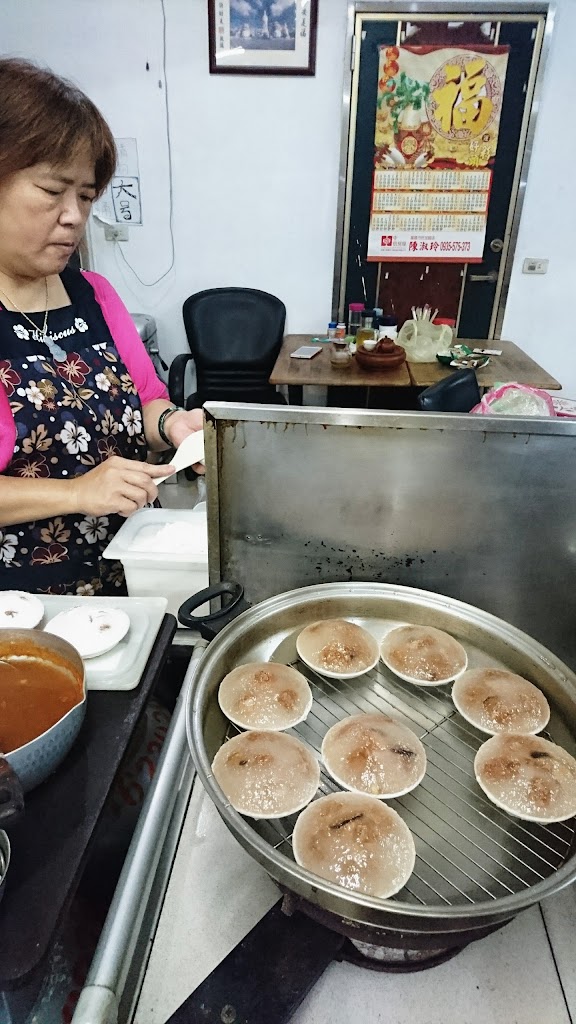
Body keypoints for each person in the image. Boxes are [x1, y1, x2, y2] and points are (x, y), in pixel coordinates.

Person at [0, 57, 204, 596]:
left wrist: (173, 427)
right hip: (24, 607)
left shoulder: (94, 293)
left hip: (133, 574)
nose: (74, 216)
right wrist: (77, 493)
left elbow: (144, 400)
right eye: (51, 190)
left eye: (86, 196)